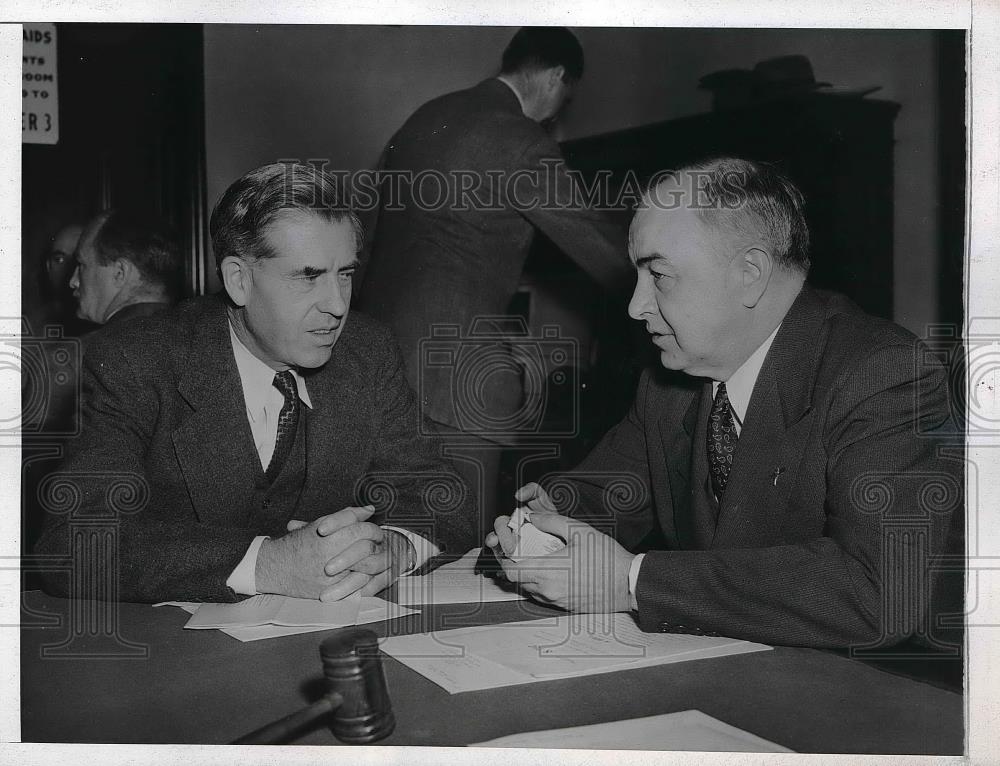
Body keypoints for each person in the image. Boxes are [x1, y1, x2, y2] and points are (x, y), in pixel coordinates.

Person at [486, 158, 961, 648]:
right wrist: (549, 525)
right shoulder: (670, 383)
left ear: (749, 274)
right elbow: (610, 494)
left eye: (660, 276)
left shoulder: (883, 373)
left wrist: (632, 581)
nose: (635, 306)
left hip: (891, 689)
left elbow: (876, 592)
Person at [35, 163, 475, 603]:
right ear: (238, 280)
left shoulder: (367, 350)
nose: (338, 304)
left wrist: (397, 548)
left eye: (345, 273)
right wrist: (267, 564)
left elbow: (444, 498)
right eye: (308, 276)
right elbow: (72, 540)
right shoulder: (137, 360)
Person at [358, 27, 632, 532]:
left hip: (374, 369)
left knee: (388, 544)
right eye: (564, 97)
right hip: (457, 379)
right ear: (555, 78)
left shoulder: (424, 118)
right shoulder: (522, 140)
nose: (558, 111)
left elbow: (366, 238)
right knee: (455, 548)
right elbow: (604, 253)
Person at [70, 209, 182, 328]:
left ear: (120, 273)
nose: (73, 282)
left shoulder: (83, 346)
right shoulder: (197, 338)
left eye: (81, 265)